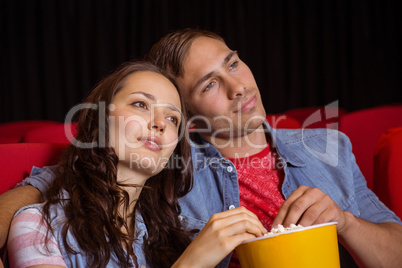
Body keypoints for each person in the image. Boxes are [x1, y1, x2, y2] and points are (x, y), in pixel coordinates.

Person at [1, 28, 402, 267]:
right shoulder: (171, 167)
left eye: (233, 63)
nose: (239, 86)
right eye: (208, 84)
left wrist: (345, 223)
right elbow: (85, 175)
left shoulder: (326, 146)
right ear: (188, 120)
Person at [4, 61, 267, 268]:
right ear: (100, 119)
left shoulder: (174, 234)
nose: (160, 123)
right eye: (141, 104)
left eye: (173, 118)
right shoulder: (37, 225)